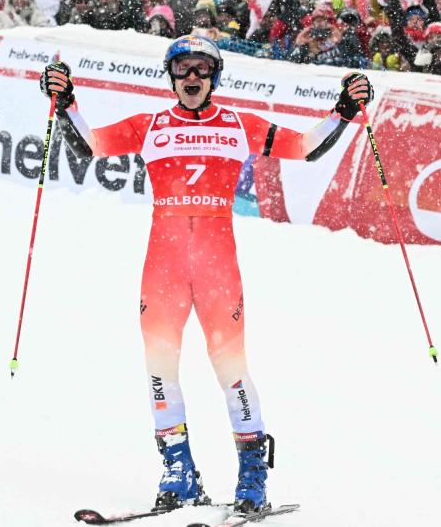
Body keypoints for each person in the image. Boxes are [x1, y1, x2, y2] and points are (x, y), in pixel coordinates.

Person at [37, 35, 373, 516]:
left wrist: (343, 110)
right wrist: (66, 100)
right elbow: (89, 144)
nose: (191, 78)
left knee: (231, 371)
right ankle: (179, 472)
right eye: (182, 69)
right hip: (164, 264)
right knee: (160, 371)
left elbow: (304, 148)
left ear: (214, 76)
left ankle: (253, 479)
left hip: (216, 264)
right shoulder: (151, 124)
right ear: (171, 76)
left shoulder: (238, 123)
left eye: (201, 69)